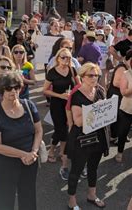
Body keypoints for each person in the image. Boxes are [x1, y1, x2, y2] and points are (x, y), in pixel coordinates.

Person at [0, 72, 43, 210]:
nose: (13, 91)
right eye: (9, 88)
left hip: (30, 161)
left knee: (28, 197)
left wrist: (34, 152)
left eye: (17, 87)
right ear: (1, 90)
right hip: (5, 164)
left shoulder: (29, 106)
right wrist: (23, 155)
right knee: (5, 200)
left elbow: (39, 131)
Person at [66, 63, 109, 209]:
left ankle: (92, 194)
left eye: (96, 75)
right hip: (82, 139)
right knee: (76, 170)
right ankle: (72, 201)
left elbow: (107, 113)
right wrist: (97, 110)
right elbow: (78, 121)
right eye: (90, 75)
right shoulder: (76, 95)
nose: (94, 78)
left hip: (99, 136)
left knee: (93, 167)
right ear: (82, 77)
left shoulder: (101, 91)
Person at [43, 47, 79, 180]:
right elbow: (45, 90)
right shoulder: (52, 72)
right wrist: (60, 95)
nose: (66, 60)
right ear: (57, 58)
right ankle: (54, 151)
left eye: (68, 57)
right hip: (57, 104)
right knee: (60, 130)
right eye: (63, 57)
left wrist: (73, 94)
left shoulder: (72, 69)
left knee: (66, 129)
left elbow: (78, 85)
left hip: (70, 104)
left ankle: (58, 151)